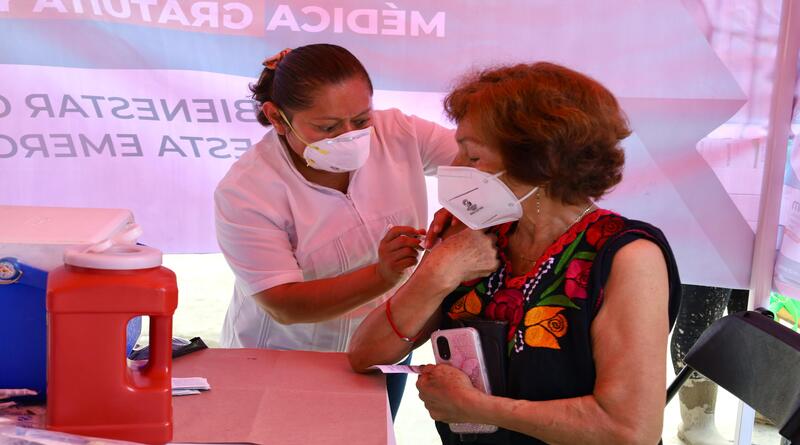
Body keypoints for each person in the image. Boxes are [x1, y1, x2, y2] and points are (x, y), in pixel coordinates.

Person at [348, 62, 682, 444]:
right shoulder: (478, 236)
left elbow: (629, 430)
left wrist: (475, 408)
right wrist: (435, 272)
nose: (455, 168)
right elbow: (365, 355)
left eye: (473, 157)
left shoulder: (627, 256)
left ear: (541, 163)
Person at [214, 43, 458, 419]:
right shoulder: (248, 190)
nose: (350, 136)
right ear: (277, 118)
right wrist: (381, 276)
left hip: (382, 349)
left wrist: (464, 205)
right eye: (327, 127)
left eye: (361, 120)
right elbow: (283, 304)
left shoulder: (399, 132)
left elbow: (485, 159)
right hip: (286, 359)